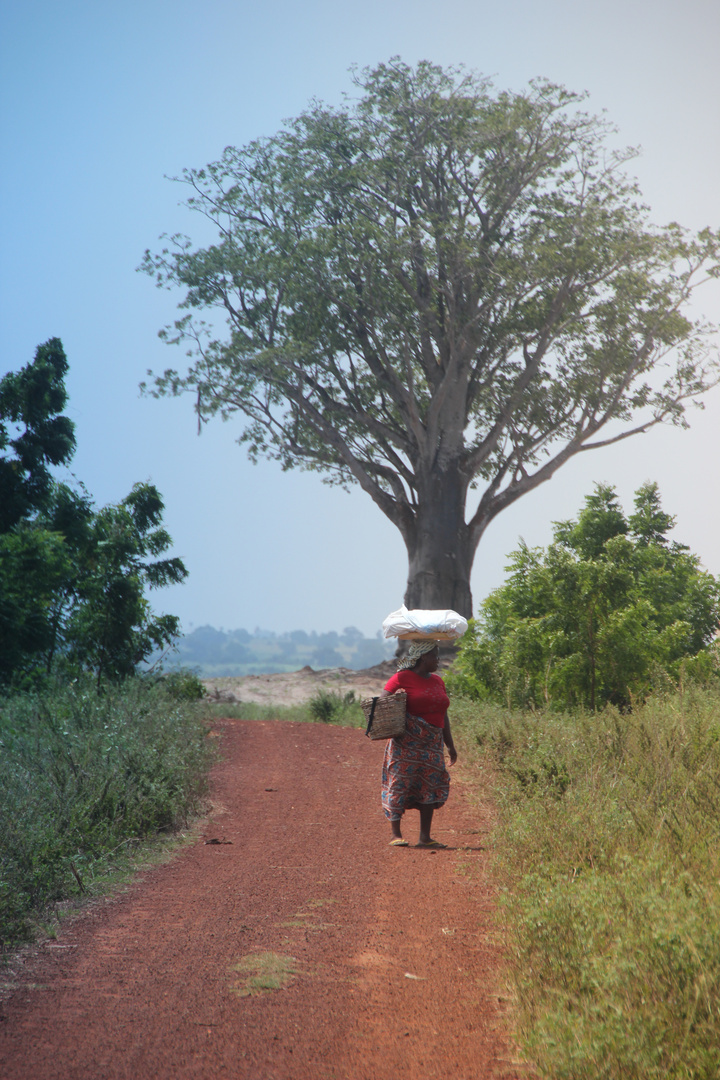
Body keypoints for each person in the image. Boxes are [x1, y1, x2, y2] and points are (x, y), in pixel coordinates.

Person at [379, 640, 458, 848]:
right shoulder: (402, 678)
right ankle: (396, 834)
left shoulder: (438, 681)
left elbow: (444, 714)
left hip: (432, 743)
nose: (438, 660)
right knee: (399, 782)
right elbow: (382, 704)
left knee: (429, 784)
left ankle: (425, 837)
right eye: (435, 656)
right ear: (423, 657)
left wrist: (450, 744)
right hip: (406, 743)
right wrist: (398, 700)